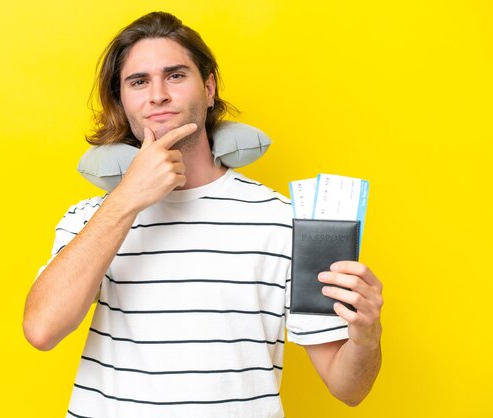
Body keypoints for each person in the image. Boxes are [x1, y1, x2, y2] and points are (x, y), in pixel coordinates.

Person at [23, 11, 383, 418]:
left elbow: (347, 387)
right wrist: (125, 201)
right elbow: (41, 330)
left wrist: (367, 337)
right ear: (123, 101)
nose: (157, 94)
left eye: (175, 76)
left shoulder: (283, 222)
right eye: (138, 82)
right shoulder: (91, 218)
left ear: (208, 88)